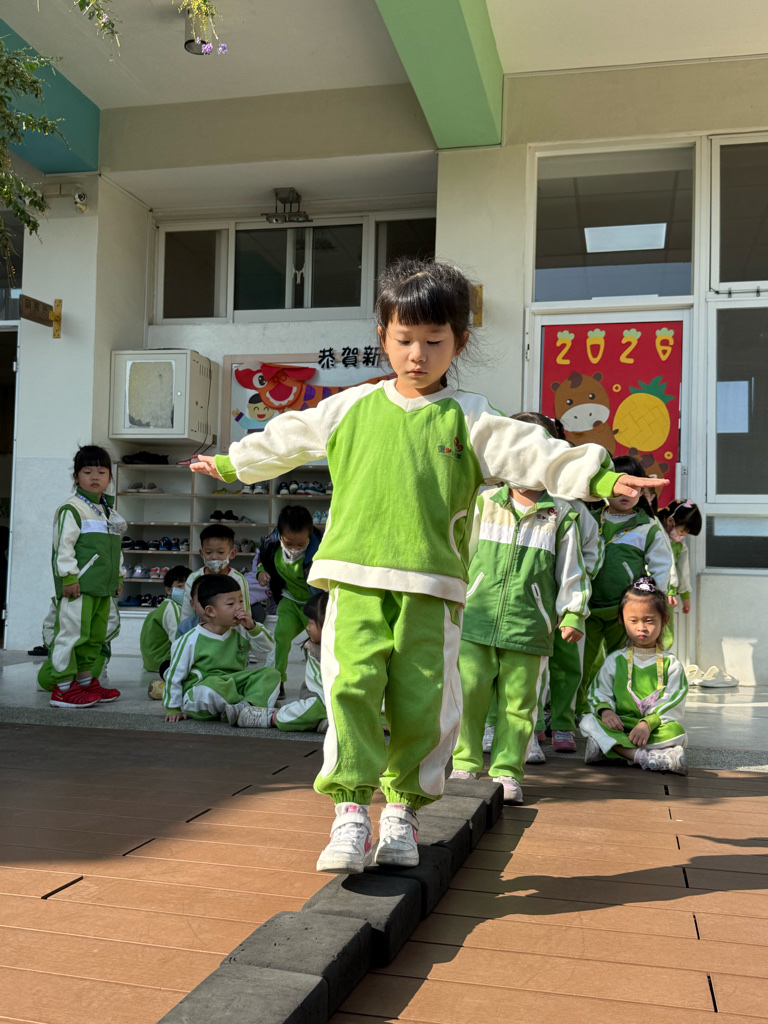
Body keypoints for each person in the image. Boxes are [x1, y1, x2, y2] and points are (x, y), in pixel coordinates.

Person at [189, 257, 666, 874]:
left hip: (433, 588)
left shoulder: (471, 416)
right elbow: (290, 434)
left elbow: (534, 451)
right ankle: (350, 811)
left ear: (459, 341)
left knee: (423, 700)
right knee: (350, 688)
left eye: (434, 340)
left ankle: (401, 813)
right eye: (404, 338)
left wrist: (600, 476)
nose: (417, 354)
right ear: (383, 336)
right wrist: (232, 464)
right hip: (354, 578)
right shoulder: (352, 407)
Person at [450, 464, 590, 804]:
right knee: (467, 695)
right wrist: (453, 595)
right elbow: (461, 553)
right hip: (476, 621)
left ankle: (507, 771)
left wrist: (573, 611)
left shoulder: (561, 514)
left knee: (520, 705)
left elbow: (572, 567)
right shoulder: (484, 502)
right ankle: (464, 763)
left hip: (530, 626)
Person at [510, 413, 604, 758]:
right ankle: (532, 726)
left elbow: (591, 548)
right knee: (529, 670)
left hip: (564, 606)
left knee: (566, 667)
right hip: (524, 605)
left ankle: (562, 722)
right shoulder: (501, 500)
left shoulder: (571, 505)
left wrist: (576, 589)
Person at [578, 455, 677, 716]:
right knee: (581, 665)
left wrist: (654, 602)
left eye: (634, 487)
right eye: (620, 485)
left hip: (625, 613)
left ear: (643, 491)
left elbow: (661, 567)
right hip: (586, 609)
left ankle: (624, 712)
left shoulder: (647, 526)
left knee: (624, 663)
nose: (627, 493)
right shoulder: (589, 519)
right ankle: (579, 710)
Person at [38, 445, 125, 707]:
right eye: (87, 472)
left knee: (94, 637)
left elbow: (115, 549)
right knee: (71, 635)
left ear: (110, 477)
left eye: (101, 471)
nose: (95, 477)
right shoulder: (72, 509)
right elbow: (63, 547)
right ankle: (63, 688)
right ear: (76, 476)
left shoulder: (108, 511)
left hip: (102, 588)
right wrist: (68, 578)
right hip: (79, 587)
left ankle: (86, 682)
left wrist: (118, 577)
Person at [580, 577, 688, 774]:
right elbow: (598, 691)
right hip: (621, 725)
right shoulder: (615, 660)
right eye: (633, 621)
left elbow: (674, 699)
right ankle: (646, 757)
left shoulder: (671, 664)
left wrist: (647, 723)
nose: (641, 628)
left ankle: (611, 749)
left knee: (676, 731)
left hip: (652, 728)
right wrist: (606, 712)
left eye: (649, 621)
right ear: (621, 620)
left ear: (664, 620)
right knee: (588, 721)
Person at [164, 575, 279, 726]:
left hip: (234, 684)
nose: (239, 607)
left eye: (241, 601)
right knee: (212, 687)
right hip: (204, 690)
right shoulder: (190, 640)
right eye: (231, 603)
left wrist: (253, 627)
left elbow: (268, 647)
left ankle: (244, 709)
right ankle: (249, 707)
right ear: (211, 611)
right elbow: (174, 676)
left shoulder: (242, 630)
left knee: (271, 674)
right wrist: (172, 707)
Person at [256, 506, 322, 685]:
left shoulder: (320, 551)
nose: (294, 549)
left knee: (318, 643)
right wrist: (261, 572)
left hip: (314, 605)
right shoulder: (272, 546)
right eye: (289, 543)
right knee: (281, 635)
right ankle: (278, 680)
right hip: (289, 600)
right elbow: (264, 562)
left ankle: (318, 683)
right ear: (280, 535)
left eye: (301, 545)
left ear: (310, 536)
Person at [259, 591, 330, 733]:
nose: (307, 627)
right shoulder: (314, 649)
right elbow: (317, 687)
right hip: (317, 697)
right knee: (311, 708)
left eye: (311, 623)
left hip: (334, 699)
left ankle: (322, 721)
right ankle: (271, 717)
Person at [180, 524, 249, 621]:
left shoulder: (237, 578)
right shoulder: (194, 578)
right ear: (202, 553)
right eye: (208, 552)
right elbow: (187, 613)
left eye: (220, 552)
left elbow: (244, 612)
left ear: (232, 553)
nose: (214, 557)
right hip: (199, 629)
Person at [658, 499, 702, 646]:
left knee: (667, 634)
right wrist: (670, 589)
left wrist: (685, 595)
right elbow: (666, 567)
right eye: (682, 531)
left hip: (668, 595)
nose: (682, 536)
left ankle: (661, 657)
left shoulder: (680, 546)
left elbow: (683, 571)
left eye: (686, 534)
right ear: (670, 521)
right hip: (653, 592)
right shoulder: (657, 539)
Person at [140, 565, 191, 672]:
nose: (186, 590)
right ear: (168, 590)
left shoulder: (165, 606)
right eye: (180, 586)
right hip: (163, 662)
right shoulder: (172, 608)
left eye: (189, 586)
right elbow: (178, 638)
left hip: (152, 662)